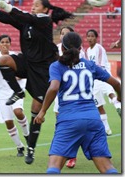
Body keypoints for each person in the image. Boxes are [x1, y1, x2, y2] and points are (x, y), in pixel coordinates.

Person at [0, 0, 73, 164]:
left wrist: (7, 5)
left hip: (42, 70)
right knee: (2, 61)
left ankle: (31, 149)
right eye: (32, 5)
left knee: (36, 112)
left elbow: (25, 16)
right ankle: (17, 91)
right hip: (27, 63)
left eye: (37, 5)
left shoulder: (45, 21)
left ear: (44, 10)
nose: (33, 7)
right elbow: (6, 18)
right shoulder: (27, 22)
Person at [34, 32, 121, 174]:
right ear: (81, 48)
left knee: (54, 166)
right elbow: (116, 84)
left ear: (62, 48)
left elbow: (54, 87)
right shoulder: (90, 65)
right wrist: (120, 97)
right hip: (93, 119)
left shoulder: (56, 66)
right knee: (106, 167)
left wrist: (42, 111)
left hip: (69, 120)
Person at [53, 26, 87, 169]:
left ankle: (71, 156)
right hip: (61, 93)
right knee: (60, 122)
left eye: (66, 34)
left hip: (75, 95)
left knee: (72, 126)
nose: (63, 36)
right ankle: (64, 153)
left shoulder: (81, 52)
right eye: (61, 34)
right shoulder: (56, 49)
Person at [86, 29, 121, 129]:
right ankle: (107, 129)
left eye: (92, 36)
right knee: (99, 105)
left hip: (104, 77)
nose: (90, 38)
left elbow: (100, 66)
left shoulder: (99, 48)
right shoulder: (88, 51)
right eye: (88, 36)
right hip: (95, 81)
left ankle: (119, 108)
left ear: (96, 38)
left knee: (111, 95)